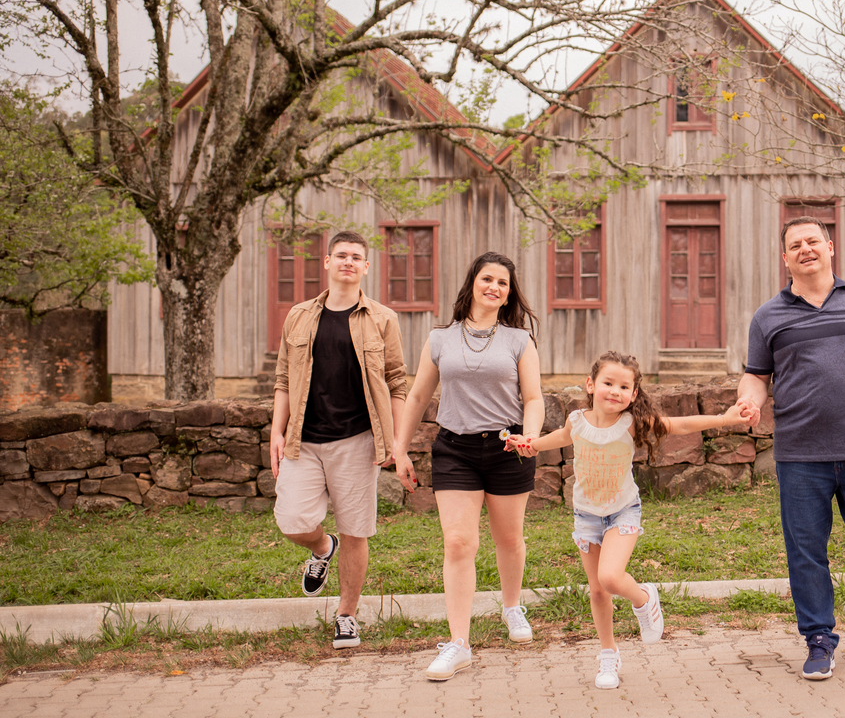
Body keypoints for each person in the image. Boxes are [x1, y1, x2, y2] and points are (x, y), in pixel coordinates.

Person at [506, 351, 750, 690]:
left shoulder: (632, 422)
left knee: (609, 577)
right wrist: (529, 444)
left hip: (623, 511)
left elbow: (679, 425)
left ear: (634, 394)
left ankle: (644, 599)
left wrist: (725, 418)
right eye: (608, 383)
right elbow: (558, 439)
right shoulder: (576, 420)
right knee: (597, 590)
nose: (615, 391)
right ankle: (609, 655)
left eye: (624, 387)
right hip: (586, 514)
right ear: (591, 385)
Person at [736, 216, 845, 681]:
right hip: (800, 455)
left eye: (812, 240)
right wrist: (749, 401)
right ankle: (818, 638)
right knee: (807, 551)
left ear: (830, 247)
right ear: (785, 258)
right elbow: (756, 376)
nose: (805, 249)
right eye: (795, 245)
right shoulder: (768, 316)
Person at [392, 251, 544, 681]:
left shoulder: (519, 340)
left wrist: (530, 436)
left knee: (508, 538)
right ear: (472, 283)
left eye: (503, 283)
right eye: (487, 279)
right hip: (455, 449)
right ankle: (458, 644)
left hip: (508, 447)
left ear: (509, 294)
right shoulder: (441, 338)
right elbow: (417, 396)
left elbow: (534, 398)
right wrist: (400, 449)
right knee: (458, 543)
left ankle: (511, 606)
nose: (494, 287)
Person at [269, 230, 411, 650]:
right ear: (328, 262)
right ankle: (321, 547)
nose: (348, 261)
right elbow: (283, 378)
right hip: (304, 439)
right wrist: (276, 431)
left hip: (357, 440)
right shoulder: (298, 316)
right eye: (341, 255)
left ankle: (347, 615)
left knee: (355, 530)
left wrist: (396, 441)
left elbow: (397, 381)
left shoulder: (382, 318)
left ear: (365, 267)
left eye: (356, 257)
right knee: (292, 520)